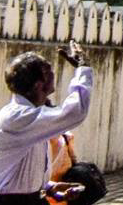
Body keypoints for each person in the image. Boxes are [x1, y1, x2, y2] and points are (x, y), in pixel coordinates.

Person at [1, 43, 103, 205]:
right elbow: (75, 113)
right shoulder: (19, 118)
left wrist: (50, 188)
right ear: (38, 85)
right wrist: (83, 69)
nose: (54, 74)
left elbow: (19, 171)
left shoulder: (31, 116)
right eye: (49, 71)